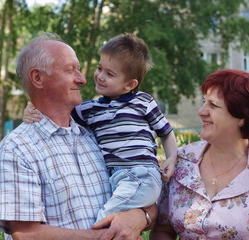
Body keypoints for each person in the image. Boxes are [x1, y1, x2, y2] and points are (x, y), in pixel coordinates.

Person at [0, 32, 157, 240]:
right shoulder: (17, 149)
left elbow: (149, 197)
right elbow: (27, 234)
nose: (82, 79)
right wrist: (107, 237)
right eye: (71, 70)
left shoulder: (97, 135)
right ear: (38, 78)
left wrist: (139, 216)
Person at [23, 33, 178, 223]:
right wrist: (31, 109)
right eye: (99, 68)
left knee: (104, 219)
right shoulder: (90, 109)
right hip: (115, 178)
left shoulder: (143, 102)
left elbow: (166, 132)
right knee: (114, 222)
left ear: (130, 84)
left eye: (110, 74)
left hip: (141, 174)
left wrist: (171, 157)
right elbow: (56, 109)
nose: (100, 77)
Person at [150, 69, 249, 240]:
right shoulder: (181, 161)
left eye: (213, 105)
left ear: (242, 117)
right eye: (203, 102)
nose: (201, 111)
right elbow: (163, 230)